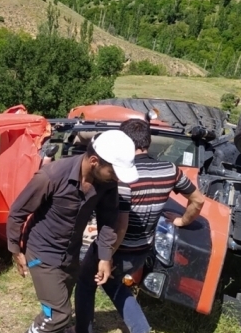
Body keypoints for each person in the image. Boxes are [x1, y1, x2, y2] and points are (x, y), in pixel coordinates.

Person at [72, 119, 206, 333]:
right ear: (149, 142)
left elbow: (121, 225)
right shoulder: (171, 170)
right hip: (143, 249)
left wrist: (106, 257)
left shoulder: (123, 176)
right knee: (114, 285)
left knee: (86, 283)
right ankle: (141, 329)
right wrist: (182, 221)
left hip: (117, 247)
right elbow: (198, 200)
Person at [6, 130, 139, 333]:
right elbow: (17, 212)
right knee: (58, 315)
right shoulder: (51, 176)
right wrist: (16, 250)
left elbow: (108, 221)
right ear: (94, 161)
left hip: (70, 255)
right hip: (40, 254)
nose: (117, 178)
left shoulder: (107, 184)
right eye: (113, 171)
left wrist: (105, 257)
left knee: (54, 306)